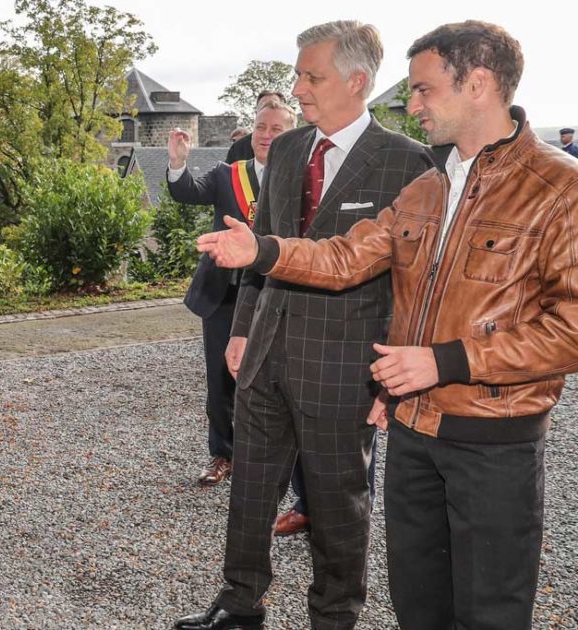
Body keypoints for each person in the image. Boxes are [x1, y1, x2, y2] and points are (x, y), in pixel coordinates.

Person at [197, 21, 578, 630]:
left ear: (478, 83)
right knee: (418, 607)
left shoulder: (558, 188)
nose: (412, 103)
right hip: (413, 429)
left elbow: (571, 327)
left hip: (493, 439)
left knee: (490, 612)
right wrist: (262, 251)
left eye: (424, 89)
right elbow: (349, 258)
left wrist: (443, 361)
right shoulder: (429, 187)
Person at [171, 20, 432, 630]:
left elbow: (414, 282)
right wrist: (241, 329)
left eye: (311, 77)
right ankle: (240, 604)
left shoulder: (407, 161)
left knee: (338, 502)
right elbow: (260, 248)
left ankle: (334, 616)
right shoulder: (287, 149)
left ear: (357, 80)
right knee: (251, 488)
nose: (298, 88)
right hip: (266, 348)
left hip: (346, 364)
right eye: (298, 75)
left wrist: (392, 376)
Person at [165, 100, 298, 486]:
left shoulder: (301, 179)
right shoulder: (228, 174)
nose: (267, 135)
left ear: (292, 134)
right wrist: (177, 162)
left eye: (276, 129)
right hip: (225, 294)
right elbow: (188, 191)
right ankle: (223, 454)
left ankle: (271, 458)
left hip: (277, 292)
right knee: (221, 378)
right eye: (261, 127)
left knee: (276, 379)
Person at [225, 92, 287, 163]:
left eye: (273, 106)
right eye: (263, 107)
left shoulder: (295, 145)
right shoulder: (239, 148)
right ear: (256, 112)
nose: (268, 111)